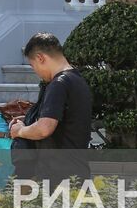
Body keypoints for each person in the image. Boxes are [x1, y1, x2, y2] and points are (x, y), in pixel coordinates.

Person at [9, 33, 92, 186]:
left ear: (40, 58)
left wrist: (19, 131)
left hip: (58, 176)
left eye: (33, 66)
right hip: (77, 171)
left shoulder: (58, 84)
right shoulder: (78, 80)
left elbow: (44, 129)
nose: (36, 72)